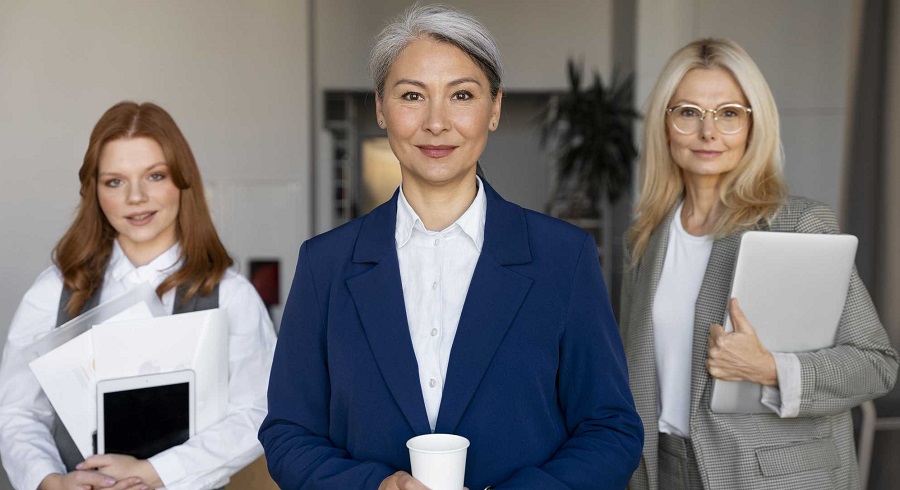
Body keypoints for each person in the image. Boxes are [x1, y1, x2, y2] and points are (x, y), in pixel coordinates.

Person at [259, 5, 642, 490]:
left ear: (495, 108)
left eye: (461, 95)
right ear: (381, 107)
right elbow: (290, 432)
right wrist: (375, 487)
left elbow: (610, 429)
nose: (436, 123)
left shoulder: (563, 258)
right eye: (412, 95)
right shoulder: (326, 264)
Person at [619, 38, 899, 490]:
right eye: (688, 112)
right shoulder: (645, 239)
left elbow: (876, 365)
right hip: (664, 469)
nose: (709, 132)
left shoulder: (799, 224)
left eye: (729, 113)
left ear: (753, 125)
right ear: (665, 124)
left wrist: (770, 368)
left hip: (769, 479)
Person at [0, 102, 277, 490]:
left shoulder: (230, 295)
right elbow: (15, 412)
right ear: (93, 190)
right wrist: (49, 482)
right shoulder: (54, 290)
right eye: (115, 181)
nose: (136, 197)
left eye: (155, 176)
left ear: (182, 180)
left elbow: (256, 412)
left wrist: (157, 473)